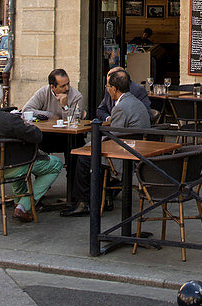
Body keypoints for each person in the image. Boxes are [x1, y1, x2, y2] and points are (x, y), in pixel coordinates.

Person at [0, 81, 63, 223]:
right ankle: (23, 206)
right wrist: (25, 123)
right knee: (56, 163)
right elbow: (36, 136)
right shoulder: (8, 120)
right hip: (11, 168)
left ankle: (19, 199)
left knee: (16, 160)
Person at [61, 68, 149, 216]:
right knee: (87, 152)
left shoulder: (120, 107)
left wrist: (92, 144)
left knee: (82, 157)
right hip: (135, 148)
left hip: (125, 153)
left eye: (108, 87)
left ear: (114, 89)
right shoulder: (133, 101)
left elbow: (114, 136)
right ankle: (103, 197)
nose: (107, 90)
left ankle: (84, 202)